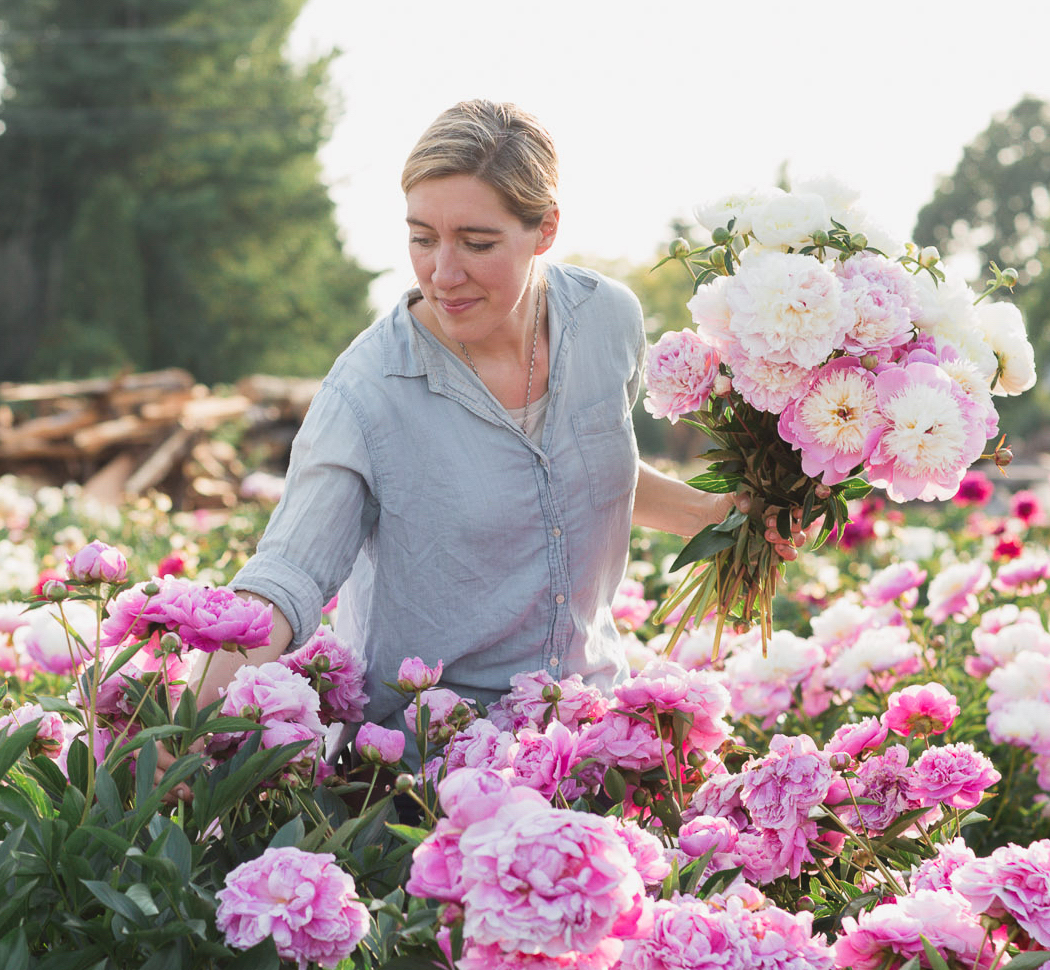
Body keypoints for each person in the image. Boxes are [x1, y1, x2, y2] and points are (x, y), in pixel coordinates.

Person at [205, 99, 799, 734]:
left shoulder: (609, 322)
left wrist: (719, 517)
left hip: (594, 734)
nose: (443, 272)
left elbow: (589, 475)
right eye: (421, 238)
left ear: (544, 229)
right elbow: (289, 571)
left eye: (476, 242)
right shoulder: (367, 392)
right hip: (429, 765)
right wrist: (190, 714)